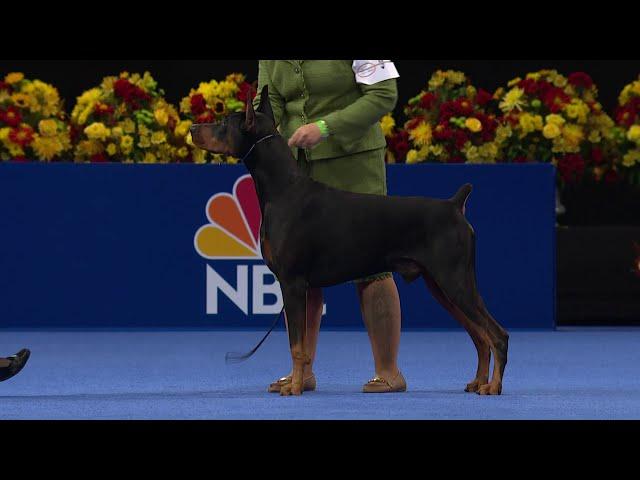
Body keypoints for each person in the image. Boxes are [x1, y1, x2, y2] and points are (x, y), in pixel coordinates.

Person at [253, 60, 405, 393]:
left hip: (353, 164)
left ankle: (389, 371)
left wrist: (325, 126)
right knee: (298, 272)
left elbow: (383, 94)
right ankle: (302, 370)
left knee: (373, 267)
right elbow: (270, 100)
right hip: (297, 168)